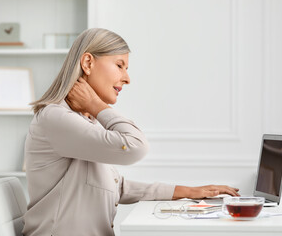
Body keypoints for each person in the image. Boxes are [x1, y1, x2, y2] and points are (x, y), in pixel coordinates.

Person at [22, 28, 239, 236]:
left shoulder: (82, 121)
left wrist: (189, 192)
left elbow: (117, 187)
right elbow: (135, 147)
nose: (127, 78)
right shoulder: (56, 118)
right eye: (120, 65)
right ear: (88, 63)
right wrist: (97, 106)